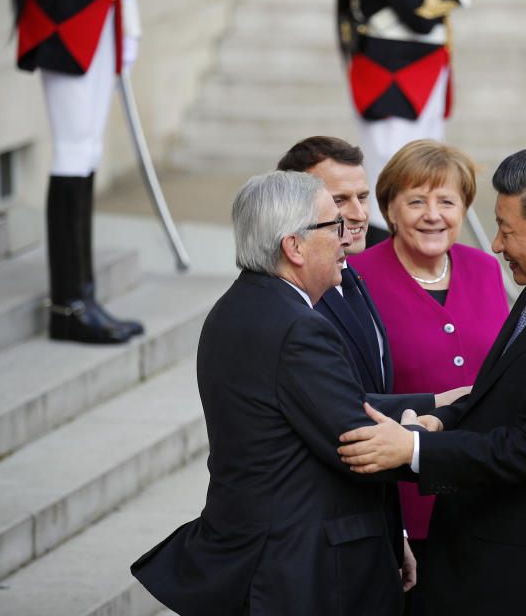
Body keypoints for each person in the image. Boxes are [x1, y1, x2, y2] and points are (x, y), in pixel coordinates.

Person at [338, 146, 526, 616]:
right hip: (491, 558)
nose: (497, 244)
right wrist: (440, 421)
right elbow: (495, 390)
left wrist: (414, 450)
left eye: (508, 229)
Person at [131, 171, 440, 615]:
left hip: (267, 557)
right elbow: (359, 444)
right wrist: (423, 430)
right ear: (293, 247)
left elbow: (325, 406)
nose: (346, 239)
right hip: (300, 569)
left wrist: (436, 401)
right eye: (333, 226)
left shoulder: (241, 305)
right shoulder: (299, 328)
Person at [277, 135, 466, 591]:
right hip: (322, 541)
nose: (360, 214)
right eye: (339, 200)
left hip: (370, 520)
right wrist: (437, 416)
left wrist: (393, 527)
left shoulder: (351, 277)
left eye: (361, 197)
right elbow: (343, 412)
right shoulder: (297, 303)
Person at [348, 139, 508, 610]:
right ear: (390, 211)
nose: (432, 215)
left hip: (484, 489)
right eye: (416, 201)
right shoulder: (355, 278)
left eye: (447, 201)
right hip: (402, 503)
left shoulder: (484, 268)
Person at [9, 0, 144, 343]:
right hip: (65, 3)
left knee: (87, 149)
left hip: (103, 0)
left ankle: (84, 297)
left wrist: (129, 14)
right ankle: (68, 307)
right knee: (72, 150)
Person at [337, 0, 469, 244]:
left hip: (411, 65)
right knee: (393, 183)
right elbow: (418, 13)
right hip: (396, 73)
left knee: (417, 176)